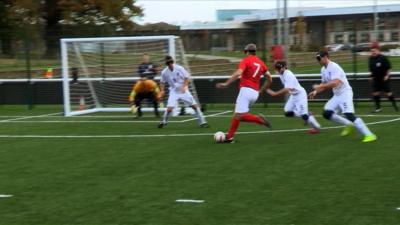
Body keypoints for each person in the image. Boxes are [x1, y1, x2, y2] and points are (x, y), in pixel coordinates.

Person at [309, 49, 377, 143]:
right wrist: (316, 91)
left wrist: (320, 86)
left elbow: (335, 83)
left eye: (319, 58)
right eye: (317, 59)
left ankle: (370, 135)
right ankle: (348, 124)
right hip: (337, 95)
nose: (318, 61)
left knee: (349, 114)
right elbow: (324, 84)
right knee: (326, 113)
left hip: (345, 93)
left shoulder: (334, 67)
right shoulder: (323, 69)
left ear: (325, 57)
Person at [216, 43, 272, 143]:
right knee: (238, 115)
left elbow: (238, 73)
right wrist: (261, 90)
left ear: (246, 52)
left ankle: (259, 120)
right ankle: (229, 137)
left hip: (246, 91)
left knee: (240, 115)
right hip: (255, 94)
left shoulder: (245, 60)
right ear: (255, 52)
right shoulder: (261, 63)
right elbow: (269, 79)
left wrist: (226, 83)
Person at [266, 60, 321, 134]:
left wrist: (275, 94)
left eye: (279, 68)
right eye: (277, 68)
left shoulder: (288, 75)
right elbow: (288, 89)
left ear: (284, 67)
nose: (278, 70)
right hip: (293, 95)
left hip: (300, 95)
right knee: (287, 112)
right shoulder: (281, 74)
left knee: (304, 116)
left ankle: (316, 128)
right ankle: (307, 114)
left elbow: (287, 89)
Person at [158, 55, 208, 128]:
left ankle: (202, 122)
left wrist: (184, 86)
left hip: (184, 91)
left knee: (194, 106)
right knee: (169, 109)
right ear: (166, 64)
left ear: (172, 62)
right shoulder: (164, 72)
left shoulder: (179, 68)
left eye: (171, 63)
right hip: (174, 91)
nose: (170, 65)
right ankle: (163, 121)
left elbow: (187, 78)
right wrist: (162, 90)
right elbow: (162, 82)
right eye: (168, 63)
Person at [368, 42, 398, 112]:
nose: (373, 52)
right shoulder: (370, 59)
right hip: (376, 79)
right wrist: (370, 76)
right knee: (375, 93)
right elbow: (371, 69)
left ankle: (395, 106)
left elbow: (389, 68)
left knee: (388, 93)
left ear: (378, 50)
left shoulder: (383, 58)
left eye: (374, 51)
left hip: (384, 79)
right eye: (372, 51)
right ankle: (378, 108)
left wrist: (387, 76)